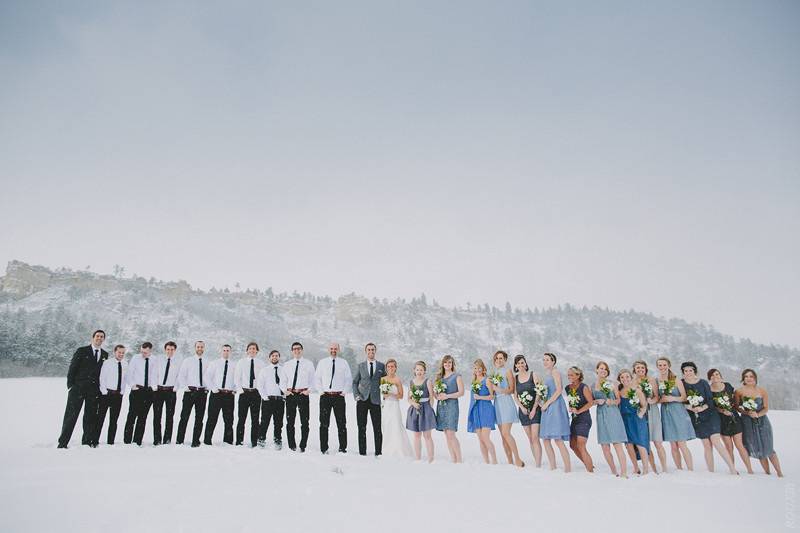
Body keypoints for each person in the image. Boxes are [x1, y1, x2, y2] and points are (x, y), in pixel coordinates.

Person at [681, 361, 738, 475]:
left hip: (710, 414)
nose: (688, 373)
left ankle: (732, 469)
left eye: (690, 370)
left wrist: (703, 407)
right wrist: (690, 407)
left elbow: (710, 400)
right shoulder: (681, 384)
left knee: (716, 441)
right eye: (685, 371)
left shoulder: (703, 383)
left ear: (694, 371)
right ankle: (711, 472)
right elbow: (682, 401)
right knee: (706, 445)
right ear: (683, 372)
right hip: (696, 416)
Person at [58, 330, 108, 448]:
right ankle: (63, 442)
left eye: (102, 337)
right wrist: (71, 385)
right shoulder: (82, 351)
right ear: (92, 338)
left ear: (103, 339)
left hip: (94, 391)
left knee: (90, 417)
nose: (99, 338)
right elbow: (73, 368)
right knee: (71, 416)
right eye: (97, 336)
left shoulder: (105, 355)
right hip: (78, 389)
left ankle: (86, 441)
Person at [735, 369, 783, 477]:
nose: (749, 378)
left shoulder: (762, 391)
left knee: (768, 447)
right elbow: (737, 407)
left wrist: (757, 414)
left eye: (751, 376)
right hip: (747, 422)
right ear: (743, 378)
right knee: (759, 448)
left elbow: (766, 408)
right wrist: (747, 412)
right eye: (746, 376)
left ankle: (779, 472)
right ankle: (767, 473)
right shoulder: (739, 391)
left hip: (762, 421)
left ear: (755, 378)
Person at [709, 368, 753, 474]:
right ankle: (732, 469)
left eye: (717, 374)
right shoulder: (709, 390)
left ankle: (750, 469)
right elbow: (712, 407)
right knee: (729, 446)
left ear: (720, 375)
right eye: (712, 375)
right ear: (710, 378)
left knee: (739, 445)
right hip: (722, 420)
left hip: (734, 417)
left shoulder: (727, 386)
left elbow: (735, 401)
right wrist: (722, 410)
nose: (715, 376)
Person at [656, 357, 694, 470]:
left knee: (682, 443)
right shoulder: (657, 380)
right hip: (666, 413)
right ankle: (679, 469)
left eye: (664, 365)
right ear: (657, 367)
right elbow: (658, 398)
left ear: (668, 365)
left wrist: (672, 398)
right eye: (660, 365)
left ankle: (690, 469)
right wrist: (662, 399)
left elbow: (684, 397)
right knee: (673, 444)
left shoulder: (676, 379)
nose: (662, 367)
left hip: (678, 411)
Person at [315, 342, 352, 454]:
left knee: (341, 423)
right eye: (331, 348)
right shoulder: (322, 363)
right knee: (324, 424)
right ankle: (324, 448)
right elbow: (317, 378)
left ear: (339, 350)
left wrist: (344, 392)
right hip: (325, 396)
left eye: (335, 348)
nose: (333, 350)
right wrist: (321, 392)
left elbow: (348, 379)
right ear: (328, 349)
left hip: (339, 397)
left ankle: (342, 448)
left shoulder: (344, 363)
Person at [592, 362, 628, 477]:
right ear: (597, 370)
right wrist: (596, 402)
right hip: (601, 415)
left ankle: (624, 472)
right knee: (605, 445)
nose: (603, 370)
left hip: (612, 414)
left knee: (617, 443)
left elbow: (618, 400)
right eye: (601, 368)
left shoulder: (613, 384)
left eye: (605, 369)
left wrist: (610, 401)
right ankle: (614, 471)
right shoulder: (592, 386)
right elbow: (591, 401)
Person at [490, 350, 524, 467]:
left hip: (506, 402)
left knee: (506, 433)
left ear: (505, 360)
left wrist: (498, 389)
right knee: (502, 435)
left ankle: (518, 459)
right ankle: (510, 462)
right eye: (496, 358)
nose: (498, 360)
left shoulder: (508, 371)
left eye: (501, 358)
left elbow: (511, 389)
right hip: (497, 403)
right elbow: (493, 390)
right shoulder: (494, 373)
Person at [538, 352, 571, 472]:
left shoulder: (555, 372)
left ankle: (568, 468)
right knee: (546, 439)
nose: (545, 362)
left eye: (548, 360)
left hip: (555, 406)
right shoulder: (546, 374)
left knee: (558, 439)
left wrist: (547, 403)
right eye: (544, 360)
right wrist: (542, 401)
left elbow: (558, 390)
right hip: (547, 406)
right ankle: (553, 467)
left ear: (553, 361)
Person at [353, 342, 385, 456]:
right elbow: (355, 382)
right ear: (365, 351)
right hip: (362, 400)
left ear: (375, 351)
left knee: (377, 428)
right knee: (361, 427)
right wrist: (356, 395)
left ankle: (378, 452)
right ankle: (362, 452)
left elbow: (386, 381)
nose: (371, 351)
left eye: (373, 350)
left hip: (375, 401)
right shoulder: (360, 366)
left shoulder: (381, 366)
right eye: (369, 350)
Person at [123, 342, 157, 446]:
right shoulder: (135, 358)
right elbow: (129, 373)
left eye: (145, 352)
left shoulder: (155, 360)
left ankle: (137, 440)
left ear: (150, 351)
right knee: (132, 415)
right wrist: (133, 386)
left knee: (143, 417)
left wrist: (153, 387)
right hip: (137, 390)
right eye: (142, 351)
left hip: (149, 392)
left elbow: (155, 374)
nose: (143, 354)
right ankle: (127, 440)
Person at [175, 341, 208, 447]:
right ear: (195, 348)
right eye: (198, 346)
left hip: (202, 393)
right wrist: (185, 388)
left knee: (199, 418)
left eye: (202, 347)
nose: (200, 348)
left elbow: (210, 377)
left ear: (204, 348)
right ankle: (180, 440)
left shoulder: (207, 362)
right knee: (184, 417)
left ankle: (195, 441)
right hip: (190, 392)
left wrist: (207, 388)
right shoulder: (188, 361)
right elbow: (181, 375)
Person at [283, 341, 315, 452]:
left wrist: (309, 390)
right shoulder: (287, 365)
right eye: (294, 349)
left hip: (303, 394)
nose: (297, 350)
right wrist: (285, 390)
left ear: (302, 350)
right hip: (291, 394)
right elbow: (283, 380)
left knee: (305, 421)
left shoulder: (308, 364)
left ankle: (303, 445)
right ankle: (292, 445)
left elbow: (313, 380)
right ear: (292, 351)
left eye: (299, 348)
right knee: (290, 421)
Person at [511, 354, 542, 468]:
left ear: (525, 363)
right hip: (523, 411)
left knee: (535, 437)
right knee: (530, 438)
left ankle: (538, 464)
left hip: (535, 410)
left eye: (522, 362)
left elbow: (539, 391)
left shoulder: (533, 375)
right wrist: (522, 407)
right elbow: (515, 395)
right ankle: (536, 460)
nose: (521, 365)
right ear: (516, 365)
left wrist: (534, 408)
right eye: (518, 363)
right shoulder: (515, 378)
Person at [204, 344, 237, 445]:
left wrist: (235, 389)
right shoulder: (214, 363)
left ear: (230, 352)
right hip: (216, 394)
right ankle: (207, 440)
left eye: (228, 350)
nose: (226, 352)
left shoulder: (234, 365)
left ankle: (228, 441)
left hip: (229, 395)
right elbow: (207, 377)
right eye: (224, 350)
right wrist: (213, 388)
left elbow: (237, 378)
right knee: (212, 418)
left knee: (229, 419)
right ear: (221, 351)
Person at [380, 359, 413, 459]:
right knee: (386, 426)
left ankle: (398, 449)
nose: (390, 368)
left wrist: (391, 394)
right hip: (386, 406)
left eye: (392, 366)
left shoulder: (397, 380)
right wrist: (385, 395)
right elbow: (382, 393)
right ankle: (387, 449)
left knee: (396, 425)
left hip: (394, 405)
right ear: (386, 368)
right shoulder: (383, 379)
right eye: (389, 366)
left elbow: (401, 395)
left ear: (395, 368)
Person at [434, 354, 464, 463]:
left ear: (452, 364)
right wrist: (438, 396)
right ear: (443, 364)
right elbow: (435, 394)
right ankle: (453, 459)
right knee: (446, 434)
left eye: (450, 362)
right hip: (441, 406)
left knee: (451, 433)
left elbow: (461, 392)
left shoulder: (457, 376)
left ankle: (459, 459)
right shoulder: (439, 378)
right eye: (445, 362)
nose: (447, 364)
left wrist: (447, 396)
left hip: (452, 405)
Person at [95, 344, 127, 445]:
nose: (121, 354)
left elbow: (124, 379)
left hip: (117, 396)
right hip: (106, 394)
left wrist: (122, 392)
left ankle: (110, 441)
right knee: (100, 418)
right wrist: (104, 391)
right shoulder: (108, 363)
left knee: (114, 420)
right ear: (115, 352)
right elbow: (102, 377)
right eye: (119, 352)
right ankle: (95, 440)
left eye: (123, 353)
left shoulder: (125, 364)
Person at [467, 359, 497, 464]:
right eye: (475, 368)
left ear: (483, 369)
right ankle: (486, 461)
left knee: (485, 437)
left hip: (486, 409)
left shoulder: (487, 380)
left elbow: (492, 396)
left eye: (479, 368)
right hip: (476, 410)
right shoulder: (473, 381)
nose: (477, 370)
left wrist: (480, 397)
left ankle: (494, 461)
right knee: (480, 439)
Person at [236, 342, 265, 447]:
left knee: (255, 419)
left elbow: (262, 379)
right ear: (247, 350)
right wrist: (240, 390)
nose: (252, 350)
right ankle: (239, 441)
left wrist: (261, 392)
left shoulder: (261, 364)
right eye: (250, 348)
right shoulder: (241, 362)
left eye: (254, 349)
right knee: (241, 419)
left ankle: (254, 442)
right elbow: (237, 378)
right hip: (244, 393)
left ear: (257, 351)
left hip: (255, 394)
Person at [405, 361, 436, 462]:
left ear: (424, 371)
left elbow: (431, 397)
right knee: (417, 435)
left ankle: (431, 458)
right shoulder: (411, 382)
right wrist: (413, 403)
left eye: (421, 370)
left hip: (426, 408)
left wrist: (429, 409)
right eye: (417, 369)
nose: (419, 372)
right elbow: (408, 398)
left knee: (427, 435)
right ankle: (418, 457)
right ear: (414, 370)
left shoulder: (427, 382)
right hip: (415, 408)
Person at [566, 366, 594, 472]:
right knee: (572, 445)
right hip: (574, 419)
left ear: (578, 375)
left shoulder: (584, 387)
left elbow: (591, 402)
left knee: (581, 445)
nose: (570, 377)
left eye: (572, 375)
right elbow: (571, 401)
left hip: (584, 419)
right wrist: (571, 408)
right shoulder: (567, 388)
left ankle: (590, 471)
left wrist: (578, 411)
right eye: (568, 375)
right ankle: (588, 464)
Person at [153, 341, 181, 446]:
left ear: (175, 350)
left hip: (171, 391)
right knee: (157, 416)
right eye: (168, 349)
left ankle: (167, 439)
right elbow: (154, 373)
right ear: (165, 350)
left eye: (172, 349)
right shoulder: (159, 360)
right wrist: (154, 386)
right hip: (159, 391)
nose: (170, 351)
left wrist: (176, 387)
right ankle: (157, 439)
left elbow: (180, 376)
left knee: (169, 416)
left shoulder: (178, 362)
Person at [256, 350, 285, 449]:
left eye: (276, 356)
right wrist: (265, 398)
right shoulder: (265, 370)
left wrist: (284, 396)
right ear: (269, 357)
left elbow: (286, 384)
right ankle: (261, 439)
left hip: (280, 400)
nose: (274, 357)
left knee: (278, 422)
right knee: (264, 421)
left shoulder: (283, 370)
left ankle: (277, 440)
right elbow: (260, 385)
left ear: (279, 357)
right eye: (273, 356)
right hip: (268, 399)